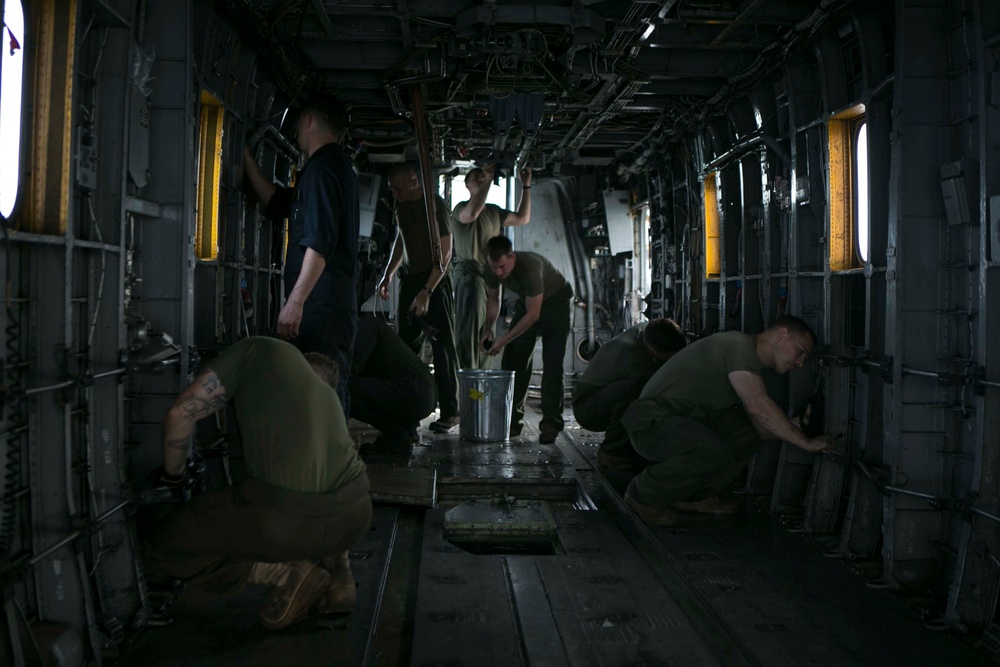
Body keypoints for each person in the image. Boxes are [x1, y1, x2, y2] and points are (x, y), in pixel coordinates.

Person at [147, 336, 371, 631]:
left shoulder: (255, 349)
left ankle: (286, 574)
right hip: (356, 516)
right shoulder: (326, 397)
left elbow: (180, 415)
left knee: (163, 544)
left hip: (286, 520)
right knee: (311, 508)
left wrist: (172, 475)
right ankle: (340, 576)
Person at [620, 316, 837, 527]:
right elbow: (758, 407)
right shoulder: (738, 346)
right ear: (782, 334)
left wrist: (799, 424)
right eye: (800, 352)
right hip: (650, 422)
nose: (800, 363)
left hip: (678, 420)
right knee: (710, 449)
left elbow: (762, 428)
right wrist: (807, 444)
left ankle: (693, 495)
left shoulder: (748, 360)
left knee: (749, 433)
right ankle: (643, 494)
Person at [243, 95, 359, 417]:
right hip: (327, 303)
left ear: (308, 120)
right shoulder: (328, 169)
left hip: (321, 304)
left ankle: (333, 464)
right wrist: (246, 158)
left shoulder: (323, 169)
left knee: (323, 393)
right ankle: (327, 463)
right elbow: (280, 204)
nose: (295, 131)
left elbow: (319, 244)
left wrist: (295, 302)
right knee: (322, 391)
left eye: (298, 124)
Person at [378, 162, 461, 433]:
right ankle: (407, 413)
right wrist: (388, 273)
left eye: (399, 188)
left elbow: (446, 254)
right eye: (392, 190)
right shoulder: (401, 205)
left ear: (414, 182)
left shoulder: (434, 206)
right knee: (405, 348)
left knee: (442, 347)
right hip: (410, 279)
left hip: (434, 280)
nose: (396, 194)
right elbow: (400, 240)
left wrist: (427, 292)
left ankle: (451, 412)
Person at [482, 235, 573, 443]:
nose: (498, 273)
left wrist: (503, 340)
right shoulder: (492, 267)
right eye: (494, 267)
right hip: (528, 303)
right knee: (513, 361)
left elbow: (533, 315)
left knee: (552, 364)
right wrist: (489, 328)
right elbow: (493, 298)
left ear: (512, 257)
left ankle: (551, 423)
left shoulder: (531, 268)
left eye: (502, 267)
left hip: (556, 304)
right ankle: (512, 422)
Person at [572, 319, 687, 472]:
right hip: (587, 408)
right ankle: (611, 452)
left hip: (603, 397)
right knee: (636, 392)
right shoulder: (634, 356)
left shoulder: (650, 330)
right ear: (654, 351)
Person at [451, 163, 532, 370]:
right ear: (467, 185)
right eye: (476, 176)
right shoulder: (460, 209)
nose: (481, 178)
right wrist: (487, 179)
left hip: (489, 275)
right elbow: (473, 212)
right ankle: (465, 392)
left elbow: (523, 218)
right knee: (467, 339)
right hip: (470, 275)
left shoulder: (494, 212)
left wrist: (526, 186)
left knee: (485, 338)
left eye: (483, 176)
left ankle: (480, 392)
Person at [349, 316, 436, 450]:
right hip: (422, 395)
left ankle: (397, 434)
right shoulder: (373, 326)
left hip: (416, 395)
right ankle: (406, 431)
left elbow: (348, 375)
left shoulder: (366, 330)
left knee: (346, 390)